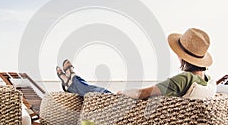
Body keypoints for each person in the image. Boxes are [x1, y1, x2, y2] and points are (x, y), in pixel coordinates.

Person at [56, 28, 214, 99]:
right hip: (153, 113)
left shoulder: (184, 79)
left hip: (138, 115)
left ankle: (72, 82)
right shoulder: (207, 81)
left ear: (183, 58)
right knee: (101, 91)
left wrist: (123, 93)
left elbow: (144, 93)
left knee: (100, 93)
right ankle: (73, 80)